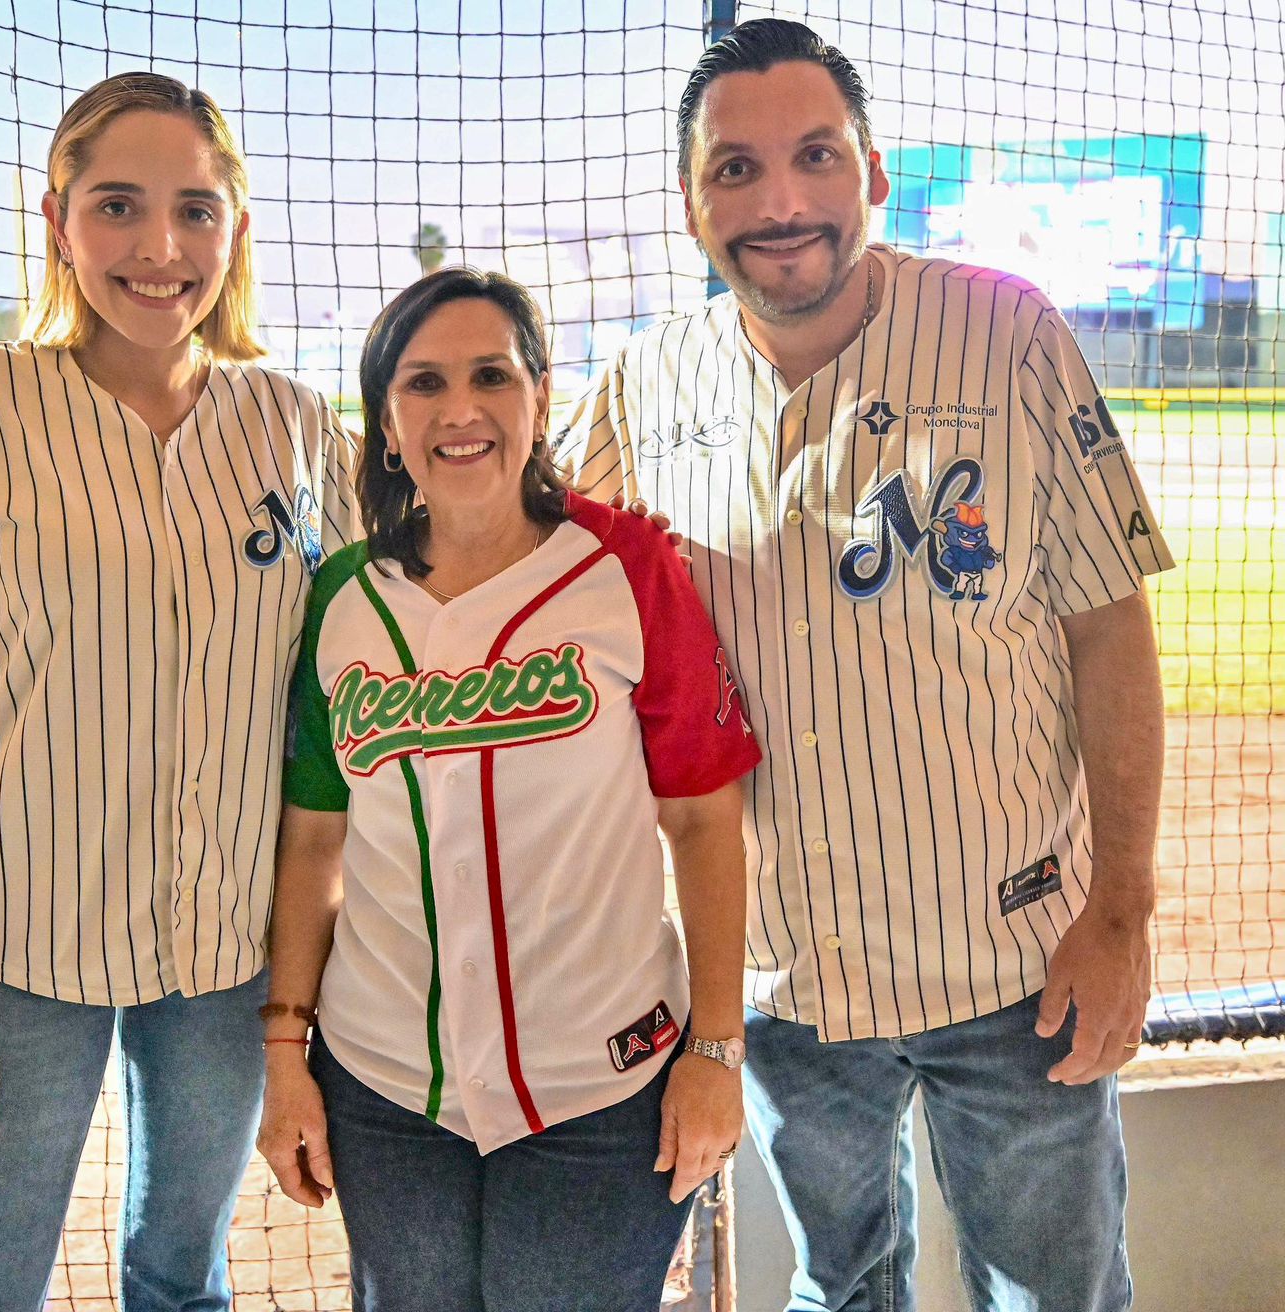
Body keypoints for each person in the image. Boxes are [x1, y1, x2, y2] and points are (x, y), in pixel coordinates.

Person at [562, 19, 1173, 1312]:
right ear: (690, 201)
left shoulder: (1005, 333)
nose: (779, 201)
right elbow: (528, 578)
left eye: (816, 156)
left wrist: (1120, 912)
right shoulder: (643, 383)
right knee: (839, 1292)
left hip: (1014, 962)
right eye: (735, 169)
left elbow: (1108, 626)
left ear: (873, 173)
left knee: (1057, 1297)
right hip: (790, 978)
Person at [0, 72, 356, 1311]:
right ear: (57, 221)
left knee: (182, 1282)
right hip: (16, 946)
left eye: (195, 210)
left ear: (235, 229)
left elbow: (373, 667)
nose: (159, 248)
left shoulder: (296, 424)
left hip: (229, 952)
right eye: (117, 206)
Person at [256, 267, 760, 1312]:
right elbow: (312, 841)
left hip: (603, 1079)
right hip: (384, 1082)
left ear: (539, 393)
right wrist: (285, 1054)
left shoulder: (625, 566)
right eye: (424, 383)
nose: (461, 410)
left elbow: (704, 818)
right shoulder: (343, 596)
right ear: (386, 421)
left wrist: (716, 1049)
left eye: (491, 375)